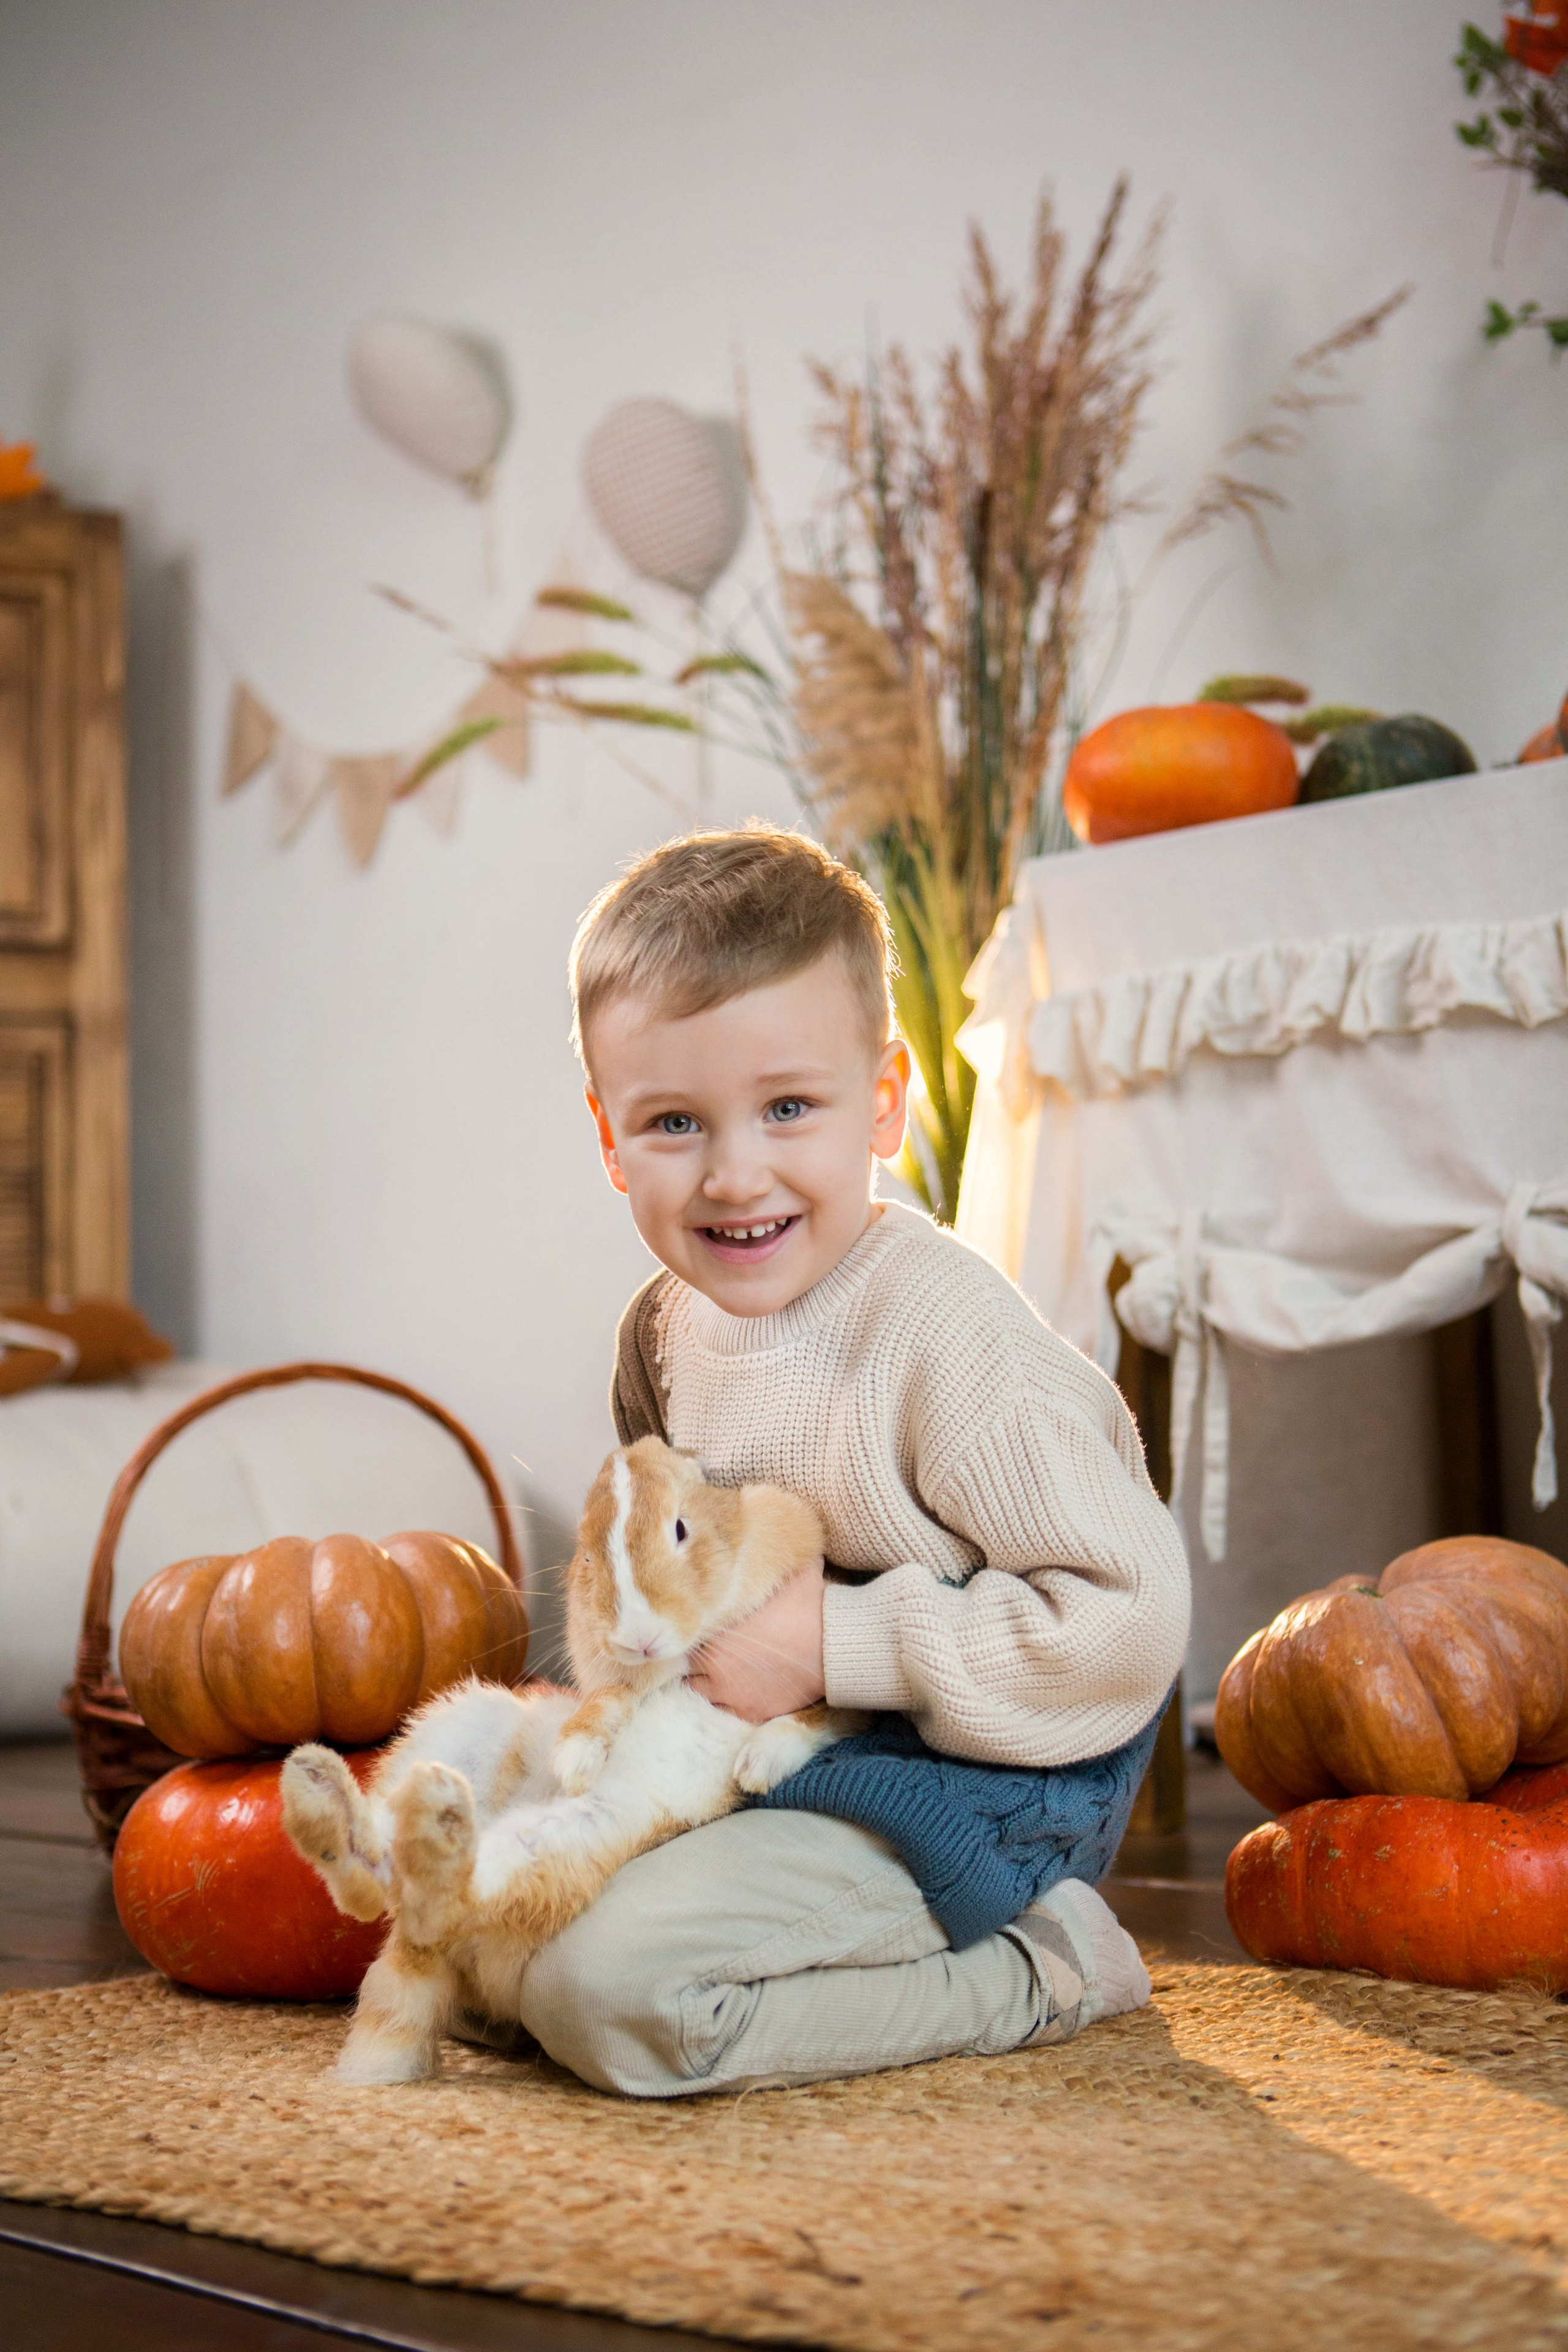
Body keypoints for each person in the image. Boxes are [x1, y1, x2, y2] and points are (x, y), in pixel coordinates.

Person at [517, 824, 1190, 2095]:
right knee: (480, 1923)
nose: (733, 1173)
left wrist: (835, 1647)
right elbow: (683, 1591)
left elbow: (1129, 1624)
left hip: (987, 1781)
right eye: (673, 1122)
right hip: (779, 1751)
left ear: (881, 1101)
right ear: (609, 1141)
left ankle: (1038, 1965)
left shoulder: (947, 1341)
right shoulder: (660, 1337)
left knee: (604, 1995)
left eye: (787, 1107)